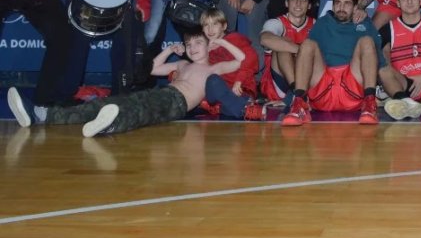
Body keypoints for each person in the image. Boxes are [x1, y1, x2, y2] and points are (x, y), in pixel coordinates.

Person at [7, 31, 265, 138]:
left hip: (176, 104)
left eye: (198, 43)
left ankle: (111, 125)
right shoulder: (182, 65)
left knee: (140, 112)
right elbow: (152, 68)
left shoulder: (213, 68)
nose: (192, 48)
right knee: (110, 102)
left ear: (208, 46)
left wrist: (221, 41)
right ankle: (42, 115)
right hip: (163, 93)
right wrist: (168, 52)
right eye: (189, 44)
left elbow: (242, 59)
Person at [278, 0, 382, 125]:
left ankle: (370, 104)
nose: (341, 7)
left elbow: (379, 59)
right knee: (308, 44)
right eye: (338, 3)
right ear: (332, 6)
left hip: (352, 86)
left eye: (347, 3)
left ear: (355, 7)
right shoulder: (322, 23)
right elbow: (306, 58)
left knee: (367, 41)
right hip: (323, 88)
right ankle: (299, 104)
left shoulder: (365, 22)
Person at [259, 0, 315, 107]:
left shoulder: (316, 25)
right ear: (286, 3)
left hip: (306, 80)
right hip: (278, 83)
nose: (298, 3)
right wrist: (302, 51)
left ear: (309, 5)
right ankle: (297, 93)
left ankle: (297, 95)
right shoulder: (276, 23)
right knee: (282, 44)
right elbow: (264, 39)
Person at [200, 8, 258, 107]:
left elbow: (252, 59)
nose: (210, 29)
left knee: (233, 99)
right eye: (206, 25)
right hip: (220, 89)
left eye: (215, 24)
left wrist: (239, 80)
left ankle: (244, 106)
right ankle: (234, 107)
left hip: (240, 87)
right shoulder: (205, 46)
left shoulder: (234, 39)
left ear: (224, 26)